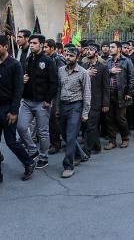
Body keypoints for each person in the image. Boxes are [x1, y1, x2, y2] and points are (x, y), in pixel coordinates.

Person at [0, 35, 36, 185]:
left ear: (6, 47)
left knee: (11, 141)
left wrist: (14, 111)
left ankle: (29, 162)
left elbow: (18, 90)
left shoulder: (15, 65)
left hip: (8, 109)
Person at [17, 34, 58, 169]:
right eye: (31, 43)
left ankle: (43, 156)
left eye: (34, 43)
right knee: (21, 127)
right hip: (27, 101)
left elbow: (54, 82)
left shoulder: (48, 61)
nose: (32, 45)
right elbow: (26, 76)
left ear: (41, 45)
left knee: (42, 131)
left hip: (42, 102)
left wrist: (48, 100)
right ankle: (32, 149)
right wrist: (23, 80)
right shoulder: (29, 59)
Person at [56, 47, 91, 178]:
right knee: (64, 135)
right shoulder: (60, 71)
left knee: (71, 136)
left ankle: (68, 166)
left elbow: (87, 93)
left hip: (76, 106)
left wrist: (85, 112)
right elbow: (59, 90)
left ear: (77, 58)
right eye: (66, 55)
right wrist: (57, 108)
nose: (68, 58)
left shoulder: (83, 73)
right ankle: (81, 154)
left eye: (71, 56)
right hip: (63, 105)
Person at [104, 41, 134, 150]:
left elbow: (131, 78)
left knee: (121, 118)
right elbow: (103, 75)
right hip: (109, 94)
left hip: (121, 94)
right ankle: (112, 141)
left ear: (119, 49)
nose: (110, 49)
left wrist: (129, 93)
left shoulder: (127, 61)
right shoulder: (107, 62)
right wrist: (110, 71)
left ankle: (125, 138)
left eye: (112, 47)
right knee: (109, 118)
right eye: (110, 47)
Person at [82, 43, 109, 154]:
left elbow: (106, 86)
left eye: (91, 50)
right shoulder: (83, 67)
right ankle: (97, 146)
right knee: (88, 125)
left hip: (96, 100)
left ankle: (86, 151)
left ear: (96, 53)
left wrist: (106, 103)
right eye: (87, 49)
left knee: (91, 125)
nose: (88, 51)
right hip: (84, 100)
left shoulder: (102, 67)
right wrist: (86, 73)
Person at [44, 39, 66, 154]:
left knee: (54, 119)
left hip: (58, 93)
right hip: (50, 92)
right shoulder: (47, 59)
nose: (44, 49)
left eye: (46, 47)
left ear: (52, 48)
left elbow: (61, 77)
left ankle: (56, 144)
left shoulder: (58, 59)